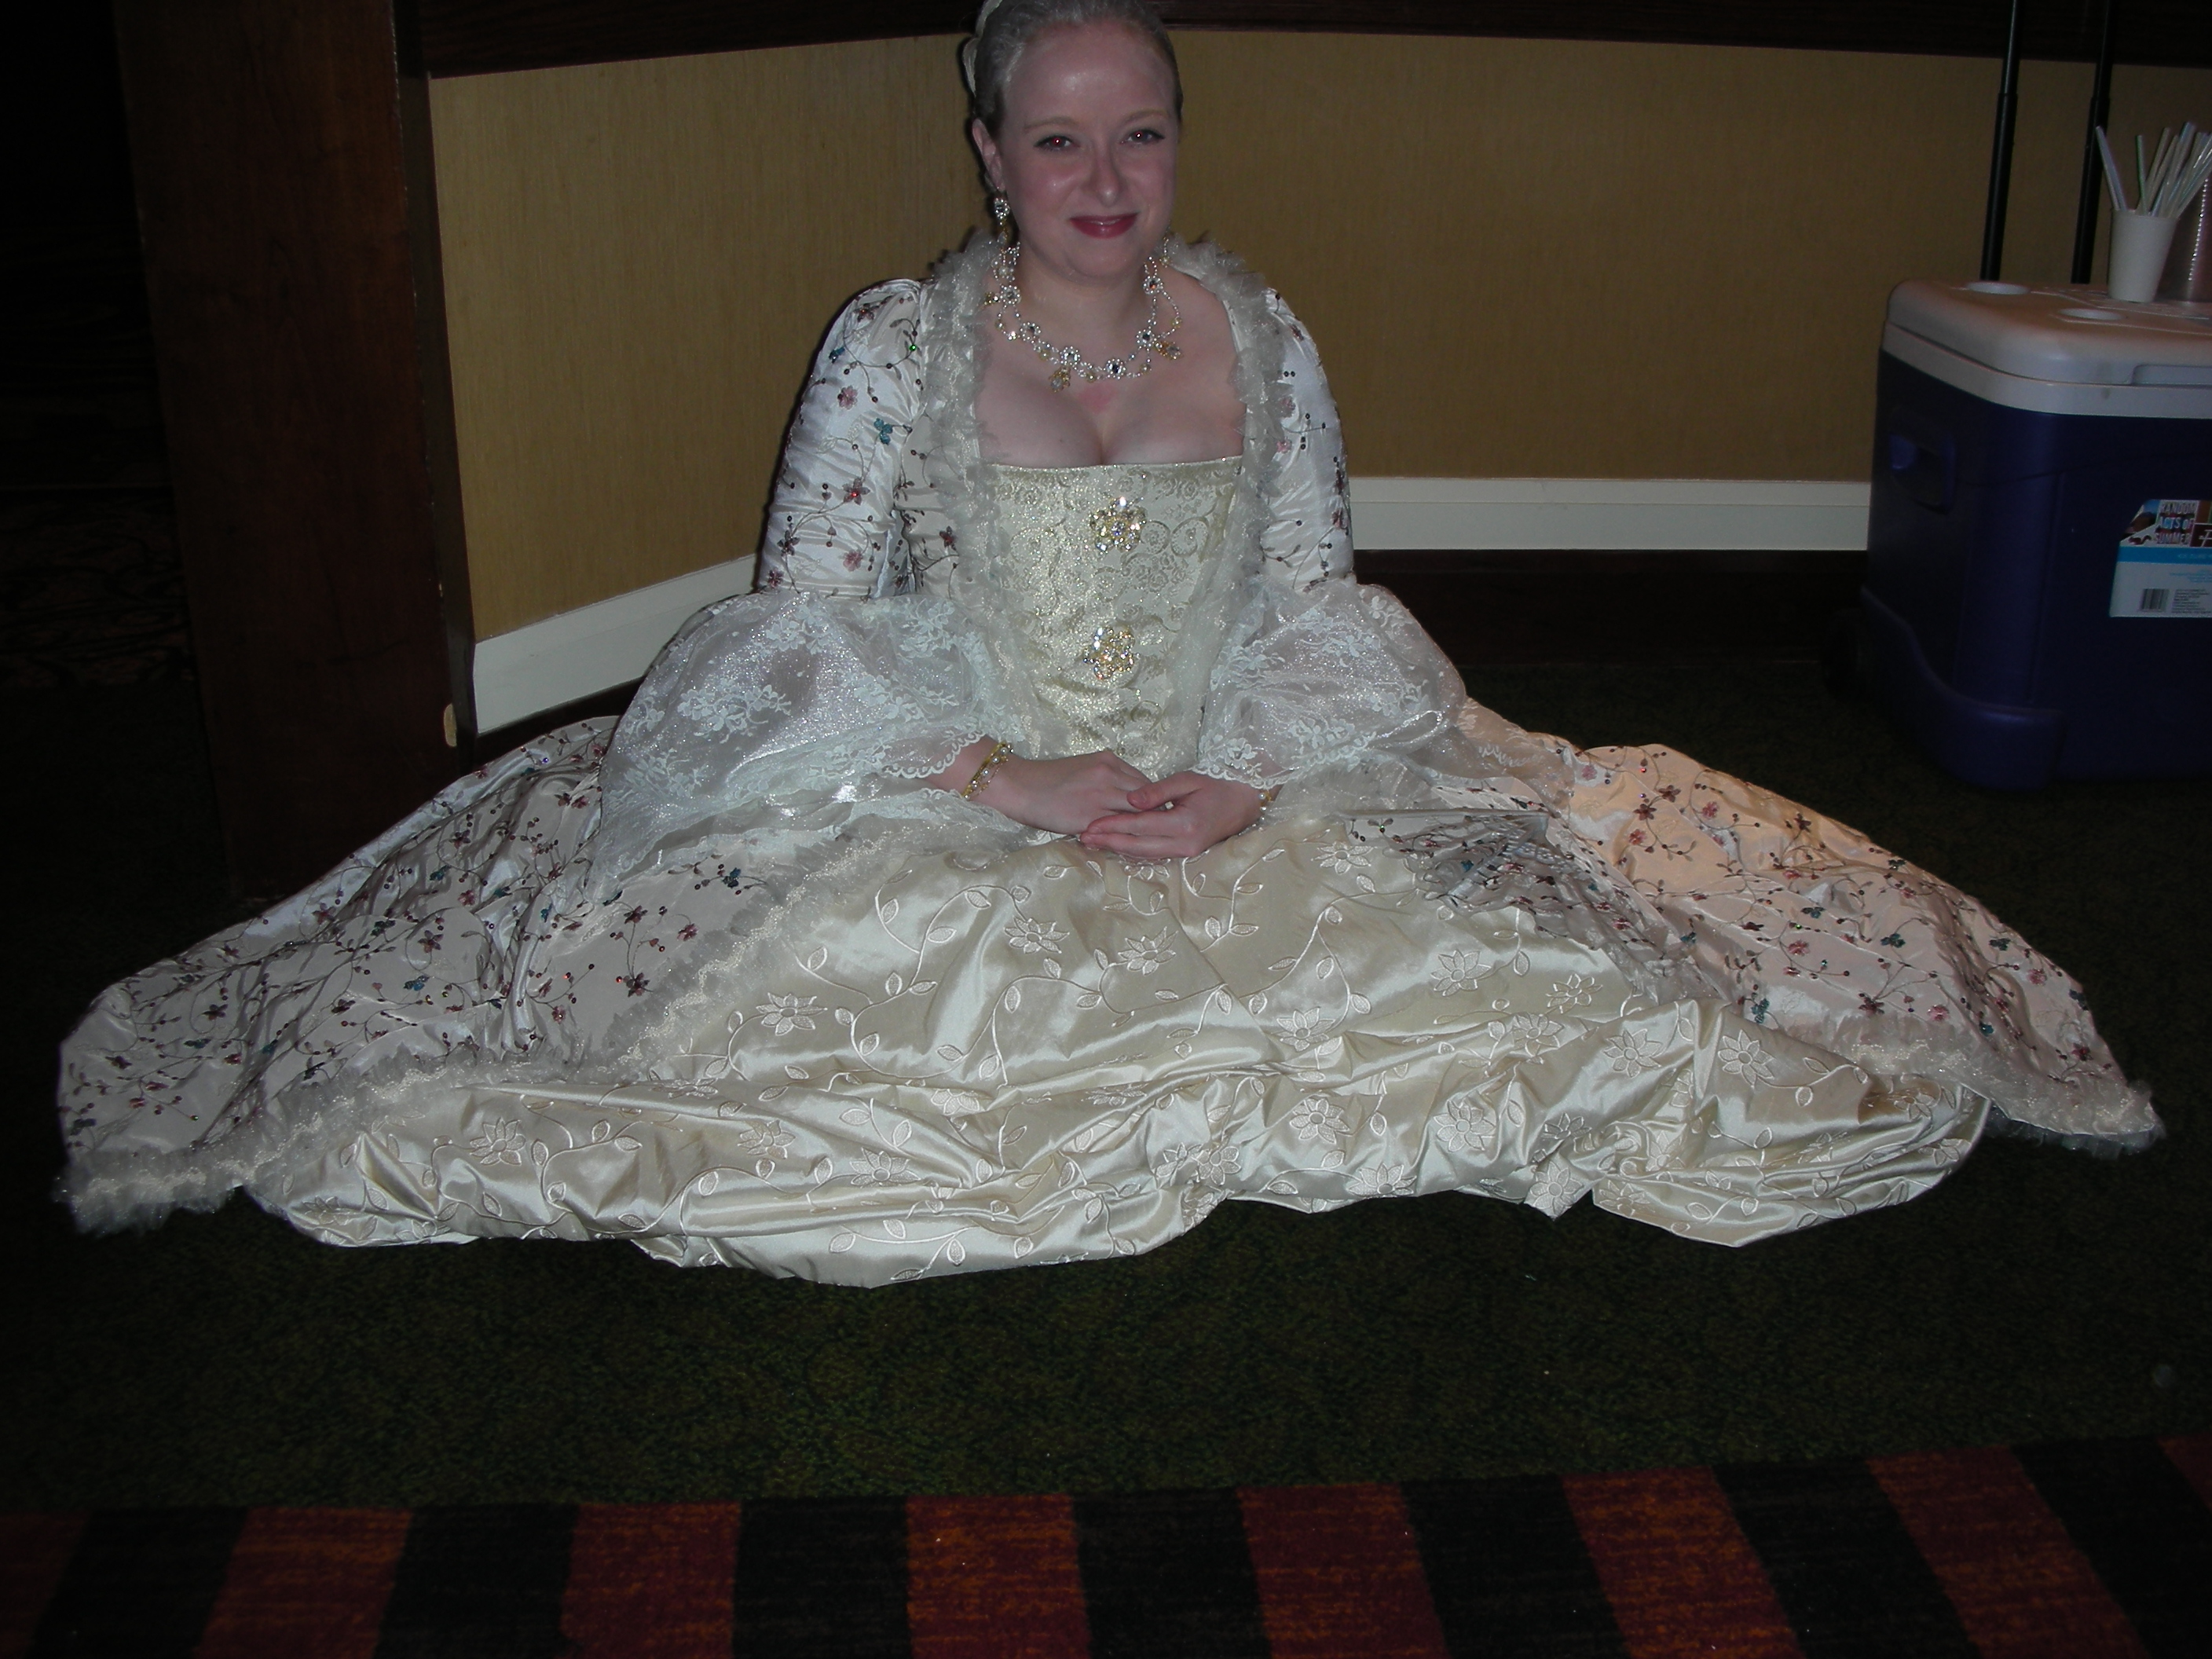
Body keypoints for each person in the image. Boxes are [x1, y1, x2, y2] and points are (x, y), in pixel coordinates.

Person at [57, 0, 2155, 1283]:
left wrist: (1242, 771)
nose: (1103, 174)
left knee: (1594, 973)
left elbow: (1315, 600)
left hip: (1228, 767)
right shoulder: (895, 342)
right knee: (737, 1054)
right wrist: (1003, 776)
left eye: (1138, 130)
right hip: (957, 774)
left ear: (1177, 141)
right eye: (1055, 135)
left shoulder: (1261, 329)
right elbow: (795, 633)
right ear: (988, 150)